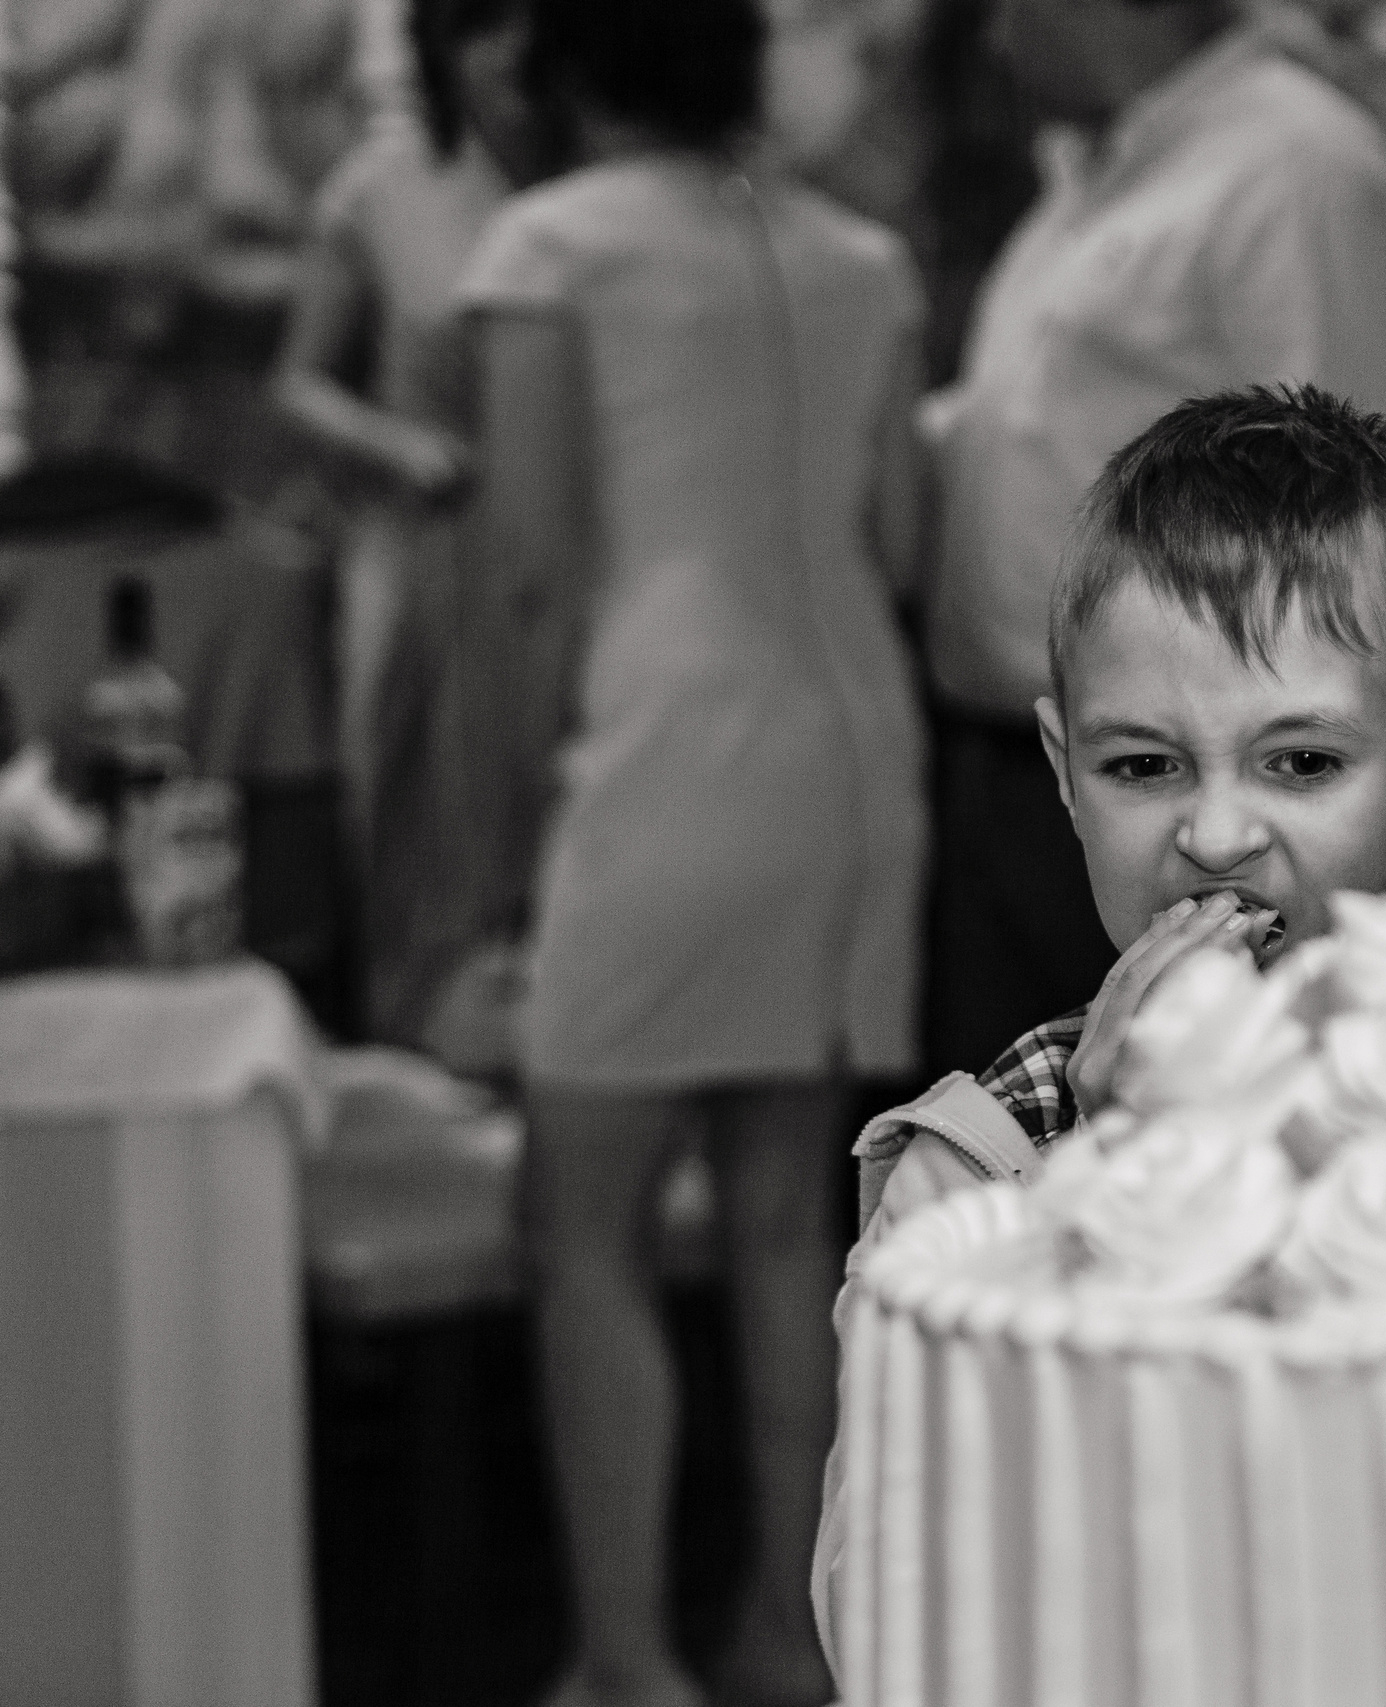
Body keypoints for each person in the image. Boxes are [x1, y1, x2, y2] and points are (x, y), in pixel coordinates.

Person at [817, 384, 1386, 1663]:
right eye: (1145, 765)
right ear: (1065, 772)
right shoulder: (988, 1166)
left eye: (1301, 762)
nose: (1218, 835)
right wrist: (1106, 1188)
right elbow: (881, 1617)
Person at [459, 0, 930, 1699]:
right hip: (851, 759)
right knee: (788, 1224)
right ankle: (788, 1640)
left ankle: (620, 1658)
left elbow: (524, 568)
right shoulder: (861, 255)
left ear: (571, 65)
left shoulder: (548, 245)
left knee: (577, 1223)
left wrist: (512, 821)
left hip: (660, 747)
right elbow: (894, 534)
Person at [918, 0, 1386, 1078]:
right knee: (1008, 1180)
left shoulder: (1297, 170)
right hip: (1042, 770)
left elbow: (1343, 500)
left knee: (1185, 1173)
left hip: (1201, 802)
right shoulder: (1105, 165)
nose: (994, 35)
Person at [270, 0, 553, 1045]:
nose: (514, 48)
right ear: (444, 45)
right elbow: (297, 383)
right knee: (414, 829)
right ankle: (418, 1046)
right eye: (488, 26)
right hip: (421, 550)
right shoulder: (385, 186)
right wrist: (398, 447)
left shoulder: (597, 179)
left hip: (568, 561)